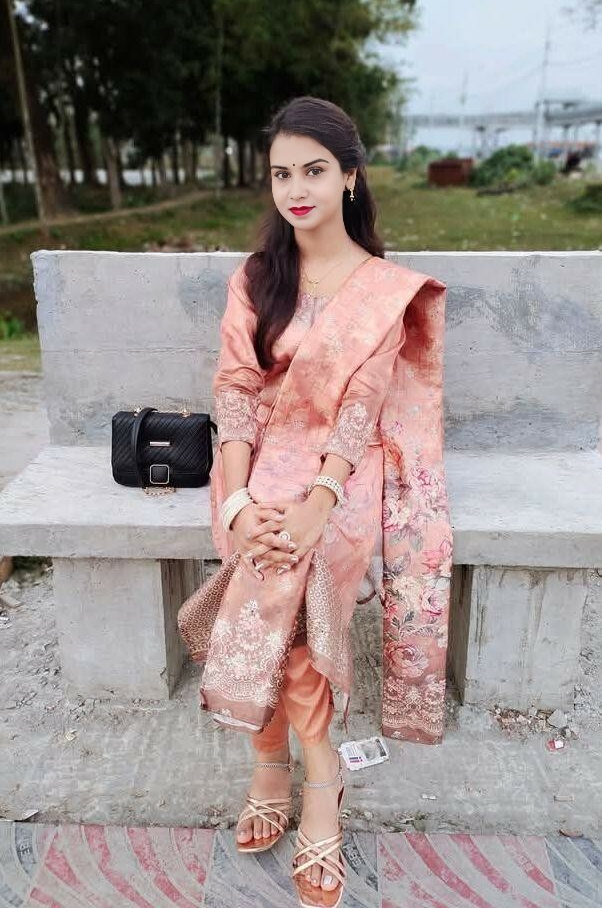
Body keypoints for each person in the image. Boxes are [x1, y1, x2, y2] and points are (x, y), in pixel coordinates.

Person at [178, 95, 452, 908]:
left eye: (315, 171)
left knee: (297, 557)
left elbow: (362, 406)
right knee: (265, 551)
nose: (296, 189)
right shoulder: (257, 278)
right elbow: (234, 390)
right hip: (254, 466)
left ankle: (305, 770)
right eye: (281, 174)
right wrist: (235, 501)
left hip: (345, 470)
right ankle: (291, 764)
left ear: (350, 177)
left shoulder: (380, 290)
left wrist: (319, 500)